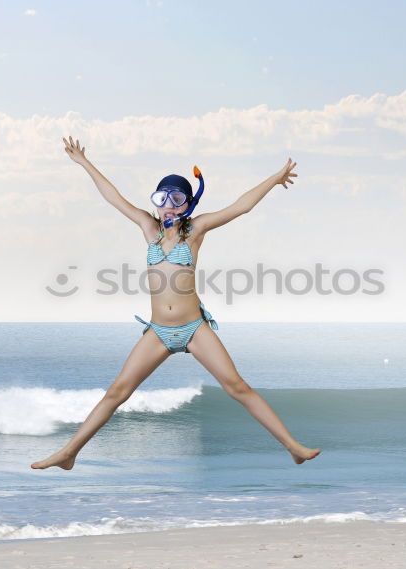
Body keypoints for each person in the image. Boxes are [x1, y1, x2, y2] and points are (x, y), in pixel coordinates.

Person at [31, 136, 321, 470]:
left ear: (188, 204)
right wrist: (84, 162)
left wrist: (274, 179)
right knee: (116, 392)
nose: (168, 205)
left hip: (193, 328)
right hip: (158, 333)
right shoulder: (148, 228)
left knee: (237, 386)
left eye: (177, 198)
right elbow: (113, 197)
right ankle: (69, 454)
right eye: (162, 198)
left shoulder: (195, 231)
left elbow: (240, 206)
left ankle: (293, 447)